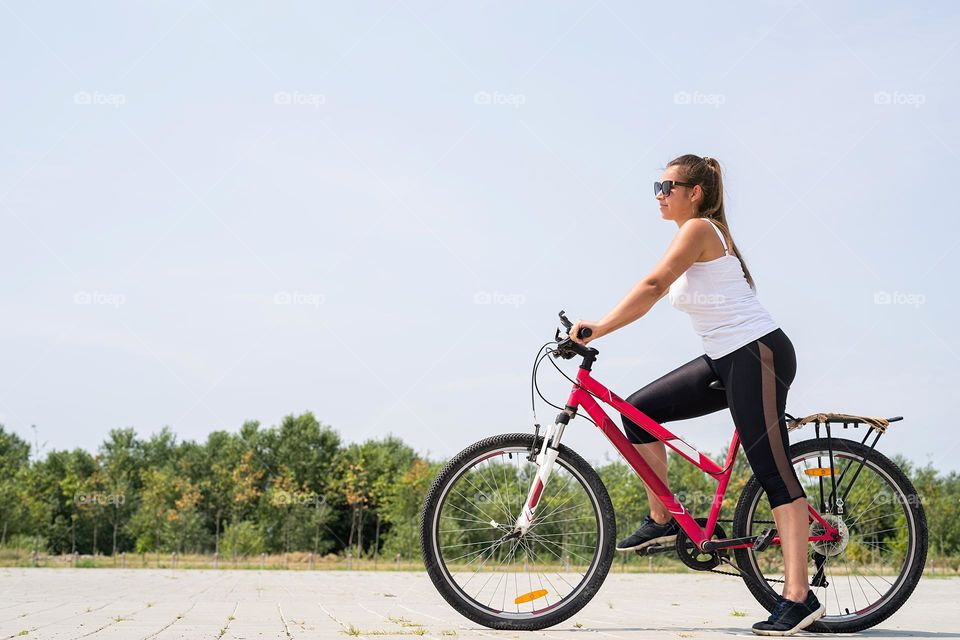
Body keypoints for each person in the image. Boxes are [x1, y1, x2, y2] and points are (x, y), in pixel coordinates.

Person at [568, 154, 824, 636]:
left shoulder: (700, 229)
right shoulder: (689, 234)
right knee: (640, 411)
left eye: (668, 186)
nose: (660, 194)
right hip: (725, 359)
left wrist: (598, 327)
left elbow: (652, 285)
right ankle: (663, 518)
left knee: (771, 468)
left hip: (756, 354)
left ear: (695, 193)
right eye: (657, 186)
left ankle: (798, 596)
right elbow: (655, 293)